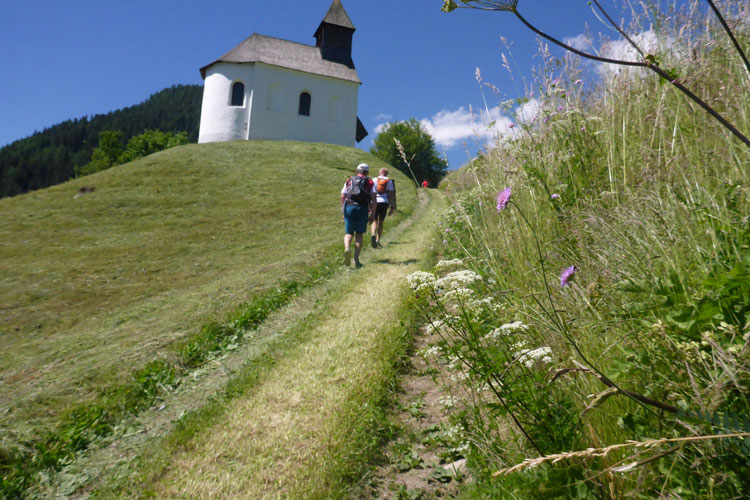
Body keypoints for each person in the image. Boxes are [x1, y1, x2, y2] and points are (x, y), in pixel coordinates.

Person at [340, 163, 377, 268]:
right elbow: (374, 199)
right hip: (362, 208)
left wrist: (343, 211)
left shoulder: (349, 180)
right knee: (359, 234)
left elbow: (342, 196)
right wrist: (373, 214)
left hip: (349, 207)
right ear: (367, 172)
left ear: (357, 171)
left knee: (348, 233)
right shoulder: (370, 182)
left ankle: (347, 248)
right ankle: (356, 259)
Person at [371, 167, 396, 249]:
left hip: (375, 201)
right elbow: (391, 195)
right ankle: (378, 240)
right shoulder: (389, 181)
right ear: (386, 173)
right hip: (384, 202)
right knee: (381, 222)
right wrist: (392, 206)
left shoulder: (374, 179)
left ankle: (373, 234)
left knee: (374, 220)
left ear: (380, 172)